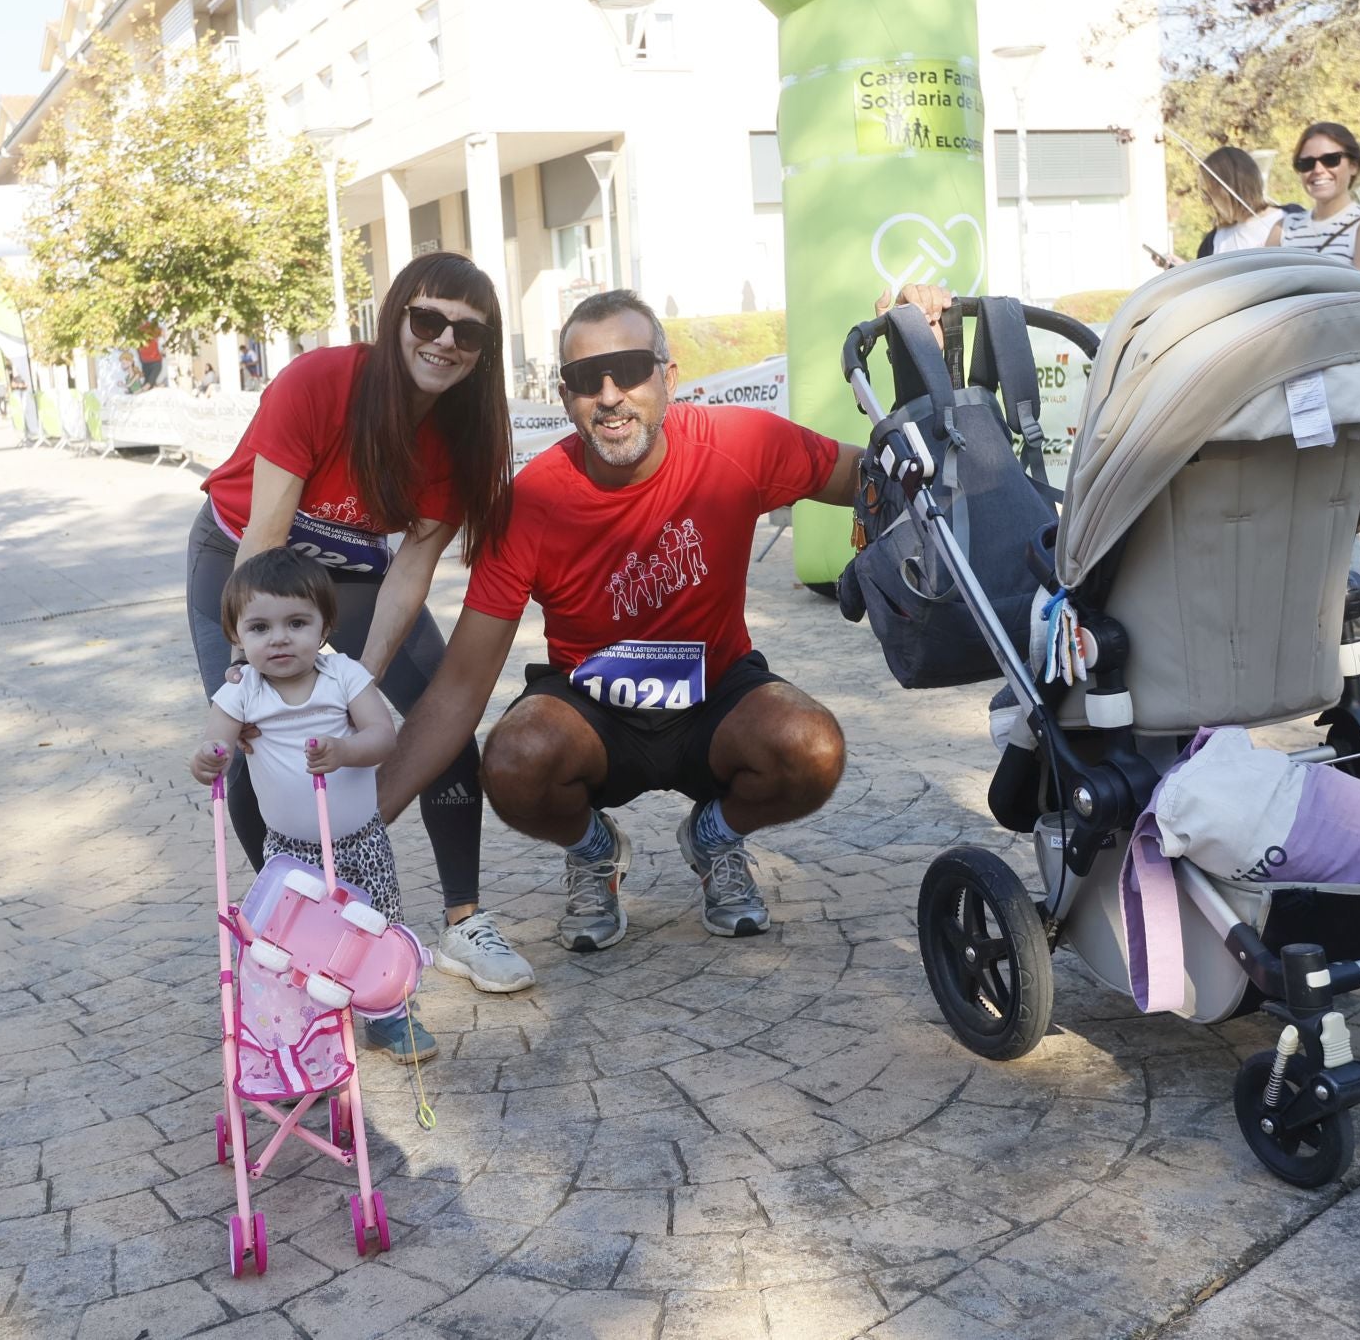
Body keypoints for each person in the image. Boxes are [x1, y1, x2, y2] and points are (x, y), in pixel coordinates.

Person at [374, 289, 858, 955]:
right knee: (514, 760)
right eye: (583, 380)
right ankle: (596, 853)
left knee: (812, 747)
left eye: (629, 370)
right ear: (565, 395)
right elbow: (459, 689)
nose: (609, 396)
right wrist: (365, 822)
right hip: (592, 713)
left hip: (716, 698)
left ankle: (714, 837)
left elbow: (874, 477)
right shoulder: (530, 503)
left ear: (668, 377)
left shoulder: (740, 443)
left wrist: (930, 366)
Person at [186, 250, 526, 1055]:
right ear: (397, 314)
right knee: (256, 741)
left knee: (441, 721)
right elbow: (269, 536)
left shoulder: (461, 438)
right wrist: (255, 662)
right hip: (243, 565)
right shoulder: (320, 383)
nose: (445, 341)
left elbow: (411, 565)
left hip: (356, 571)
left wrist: (359, 678)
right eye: (428, 319)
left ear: (485, 350)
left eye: (468, 333)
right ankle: (298, 937)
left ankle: (463, 923)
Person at [189, 548, 433, 1063]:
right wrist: (210, 758)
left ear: (325, 626)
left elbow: (382, 735)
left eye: (296, 623)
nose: (279, 638)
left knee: (375, 925)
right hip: (288, 850)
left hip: (360, 839)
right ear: (236, 637)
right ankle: (301, 1030)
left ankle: (388, 1015)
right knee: (292, 938)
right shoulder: (240, 693)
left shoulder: (344, 676)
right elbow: (216, 744)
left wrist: (344, 750)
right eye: (259, 628)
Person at [1266, 122, 1360, 275]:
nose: (1318, 170)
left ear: (1354, 166)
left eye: (1331, 160)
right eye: (1307, 163)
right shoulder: (1283, 229)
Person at [1194, 146, 1284, 257]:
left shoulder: (1291, 221)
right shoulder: (1212, 244)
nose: (1207, 202)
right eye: (1204, 194)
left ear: (1229, 188)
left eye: (1209, 193)